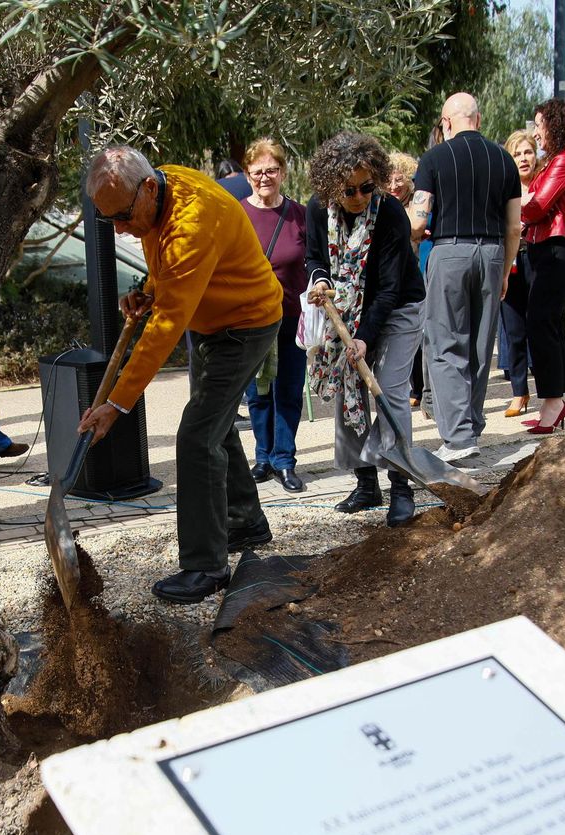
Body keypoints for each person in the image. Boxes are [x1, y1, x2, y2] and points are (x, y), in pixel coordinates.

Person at [77, 146, 282, 604]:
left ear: (148, 187)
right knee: (216, 426)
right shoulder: (160, 185)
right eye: (109, 220)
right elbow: (167, 267)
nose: (122, 230)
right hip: (213, 323)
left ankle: (205, 566)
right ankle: (247, 523)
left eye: (124, 217)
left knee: (196, 435)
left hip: (245, 324)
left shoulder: (193, 220)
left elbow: (166, 328)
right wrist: (148, 290)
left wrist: (117, 403)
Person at [304, 131, 427, 527]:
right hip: (345, 309)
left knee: (389, 390)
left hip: (399, 307)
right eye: (349, 190)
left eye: (366, 187)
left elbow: (389, 288)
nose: (358, 197)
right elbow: (314, 257)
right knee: (348, 388)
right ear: (330, 186)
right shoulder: (316, 210)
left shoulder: (389, 212)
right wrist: (321, 280)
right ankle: (365, 482)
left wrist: (364, 338)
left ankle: (401, 484)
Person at [408, 92, 522, 464]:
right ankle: (470, 427)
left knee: (443, 344)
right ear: (479, 118)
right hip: (491, 253)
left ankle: (457, 438)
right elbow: (515, 225)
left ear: (446, 122)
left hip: (450, 250)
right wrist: (505, 268)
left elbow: (420, 218)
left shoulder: (435, 158)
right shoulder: (504, 160)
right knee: (478, 345)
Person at [238, 137, 310, 493]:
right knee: (258, 392)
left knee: (289, 390)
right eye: (256, 172)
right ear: (246, 174)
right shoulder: (237, 214)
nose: (264, 178)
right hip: (252, 321)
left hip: (292, 317)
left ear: (282, 172)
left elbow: (314, 261)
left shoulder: (299, 214)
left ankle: (285, 460)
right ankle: (262, 457)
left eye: (270, 170)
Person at [515, 99, 565, 434]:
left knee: (541, 324)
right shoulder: (558, 160)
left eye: (539, 124)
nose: (536, 131)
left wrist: (515, 206)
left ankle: (554, 402)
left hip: (558, 250)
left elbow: (537, 205)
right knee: (548, 326)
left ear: (554, 125)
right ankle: (553, 402)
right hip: (550, 250)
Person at [497, 129, 540, 419]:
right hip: (510, 261)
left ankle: (549, 393)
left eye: (528, 152)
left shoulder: (545, 183)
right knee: (512, 329)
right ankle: (518, 390)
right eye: (517, 153)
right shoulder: (503, 186)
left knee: (540, 327)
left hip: (538, 257)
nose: (523, 158)